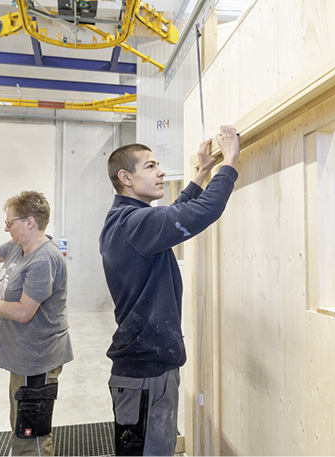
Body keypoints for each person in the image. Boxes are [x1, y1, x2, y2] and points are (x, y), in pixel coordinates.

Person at [99, 124, 240, 455]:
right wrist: (230, 161)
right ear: (126, 178)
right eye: (150, 166)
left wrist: (203, 172)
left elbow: (173, 215)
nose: (161, 171)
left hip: (144, 372)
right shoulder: (135, 223)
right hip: (146, 374)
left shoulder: (129, 220)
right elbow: (200, 213)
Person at [0, 190, 73, 456]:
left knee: (32, 439)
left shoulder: (43, 259)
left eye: (10, 223)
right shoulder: (18, 248)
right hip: (23, 358)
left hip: (38, 359)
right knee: (21, 428)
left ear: (30, 221)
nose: (6, 228)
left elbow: (23, 312)